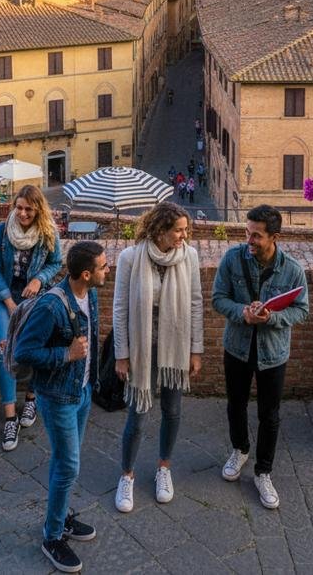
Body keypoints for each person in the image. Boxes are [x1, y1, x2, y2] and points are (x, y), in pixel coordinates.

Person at [15, 241, 108, 574]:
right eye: (102, 266)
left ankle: (61, 517)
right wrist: (66, 355)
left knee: (66, 462)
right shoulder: (51, 307)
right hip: (57, 397)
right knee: (69, 466)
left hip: (81, 392)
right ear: (86, 273)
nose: (106, 270)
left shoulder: (90, 295)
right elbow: (23, 353)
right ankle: (52, 536)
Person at [212, 205, 308, 509]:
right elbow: (218, 298)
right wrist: (242, 313)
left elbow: (301, 310)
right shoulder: (232, 259)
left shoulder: (292, 269)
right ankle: (240, 449)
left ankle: (263, 471)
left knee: (270, 414)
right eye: (247, 232)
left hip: (273, 353)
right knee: (235, 405)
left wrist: (270, 319)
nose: (249, 240)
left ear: (274, 237)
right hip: (237, 347)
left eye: (256, 235)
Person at [113, 204, 203, 513]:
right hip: (142, 347)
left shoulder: (188, 256)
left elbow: (195, 303)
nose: (183, 235)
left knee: (173, 410)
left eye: (184, 230)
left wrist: (195, 349)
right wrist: (121, 354)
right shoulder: (130, 258)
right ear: (160, 230)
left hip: (174, 348)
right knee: (137, 414)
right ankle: (127, 475)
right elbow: (120, 308)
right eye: (178, 230)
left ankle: (164, 468)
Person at [0, 184, 62, 451]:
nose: (22, 213)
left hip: (33, 299)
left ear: (38, 209)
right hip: (4, 297)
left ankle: (31, 397)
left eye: (28, 209)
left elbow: (56, 263)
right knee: (5, 348)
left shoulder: (48, 232)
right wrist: (8, 301)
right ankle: (10, 418)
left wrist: (38, 280)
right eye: (19, 207)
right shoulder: (2, 231)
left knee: (33, 347)